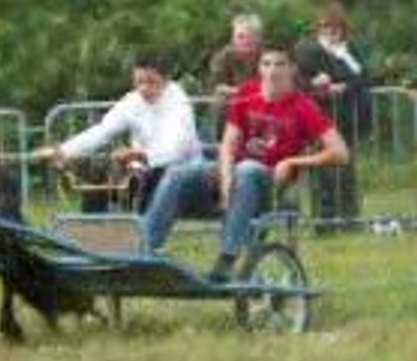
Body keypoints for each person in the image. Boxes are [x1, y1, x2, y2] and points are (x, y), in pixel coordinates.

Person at [142, 43, 350, 281]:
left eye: (279, 64)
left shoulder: (304, 106)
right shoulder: (247, 94)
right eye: (266, 64)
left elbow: (340, 152)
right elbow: (229, 144)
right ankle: (145, 249)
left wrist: (294, 161)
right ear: (259, 68)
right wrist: (226, 179)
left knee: (248, 169)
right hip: (235, 175)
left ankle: (228, 257)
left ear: (292, 69)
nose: (272, 71)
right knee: (180, 172)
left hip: (270, 185)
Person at [43, 55, 202, 213]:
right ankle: (93, 233)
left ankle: (139, 230)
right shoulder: (131, 102)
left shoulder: (180, 104)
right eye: (138, 82)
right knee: (97, 183)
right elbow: (102, 131)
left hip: (182, 176)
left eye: (151, 81)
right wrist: (65, 150)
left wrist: (139, 156)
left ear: (166, 80)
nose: (143, 88)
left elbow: (175, 151)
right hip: (143, 173)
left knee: (143, 181)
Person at [295, 2, 372, 225]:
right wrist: (317, 83)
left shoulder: (350, 50)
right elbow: (300, 80)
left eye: (337, 28)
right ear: (320, 28)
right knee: (322, 170)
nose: (332, 32)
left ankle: (350, 219)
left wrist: (345, 85)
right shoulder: (307, 49)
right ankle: (324, 221)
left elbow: (364, 76)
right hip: (319, 119)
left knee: (347, 170)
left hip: (347, 119)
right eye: (327, 27)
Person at [208, 13, 263, 139]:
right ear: (233, 38)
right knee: (220, 101)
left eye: (251, 36)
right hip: (234, 99)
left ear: (258, 38)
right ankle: (220, 143)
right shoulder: (222, 57)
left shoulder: (267, 56)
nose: (246, 40)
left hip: (262, 99)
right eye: (240, 37)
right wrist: (243, 91)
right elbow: (218, 86)